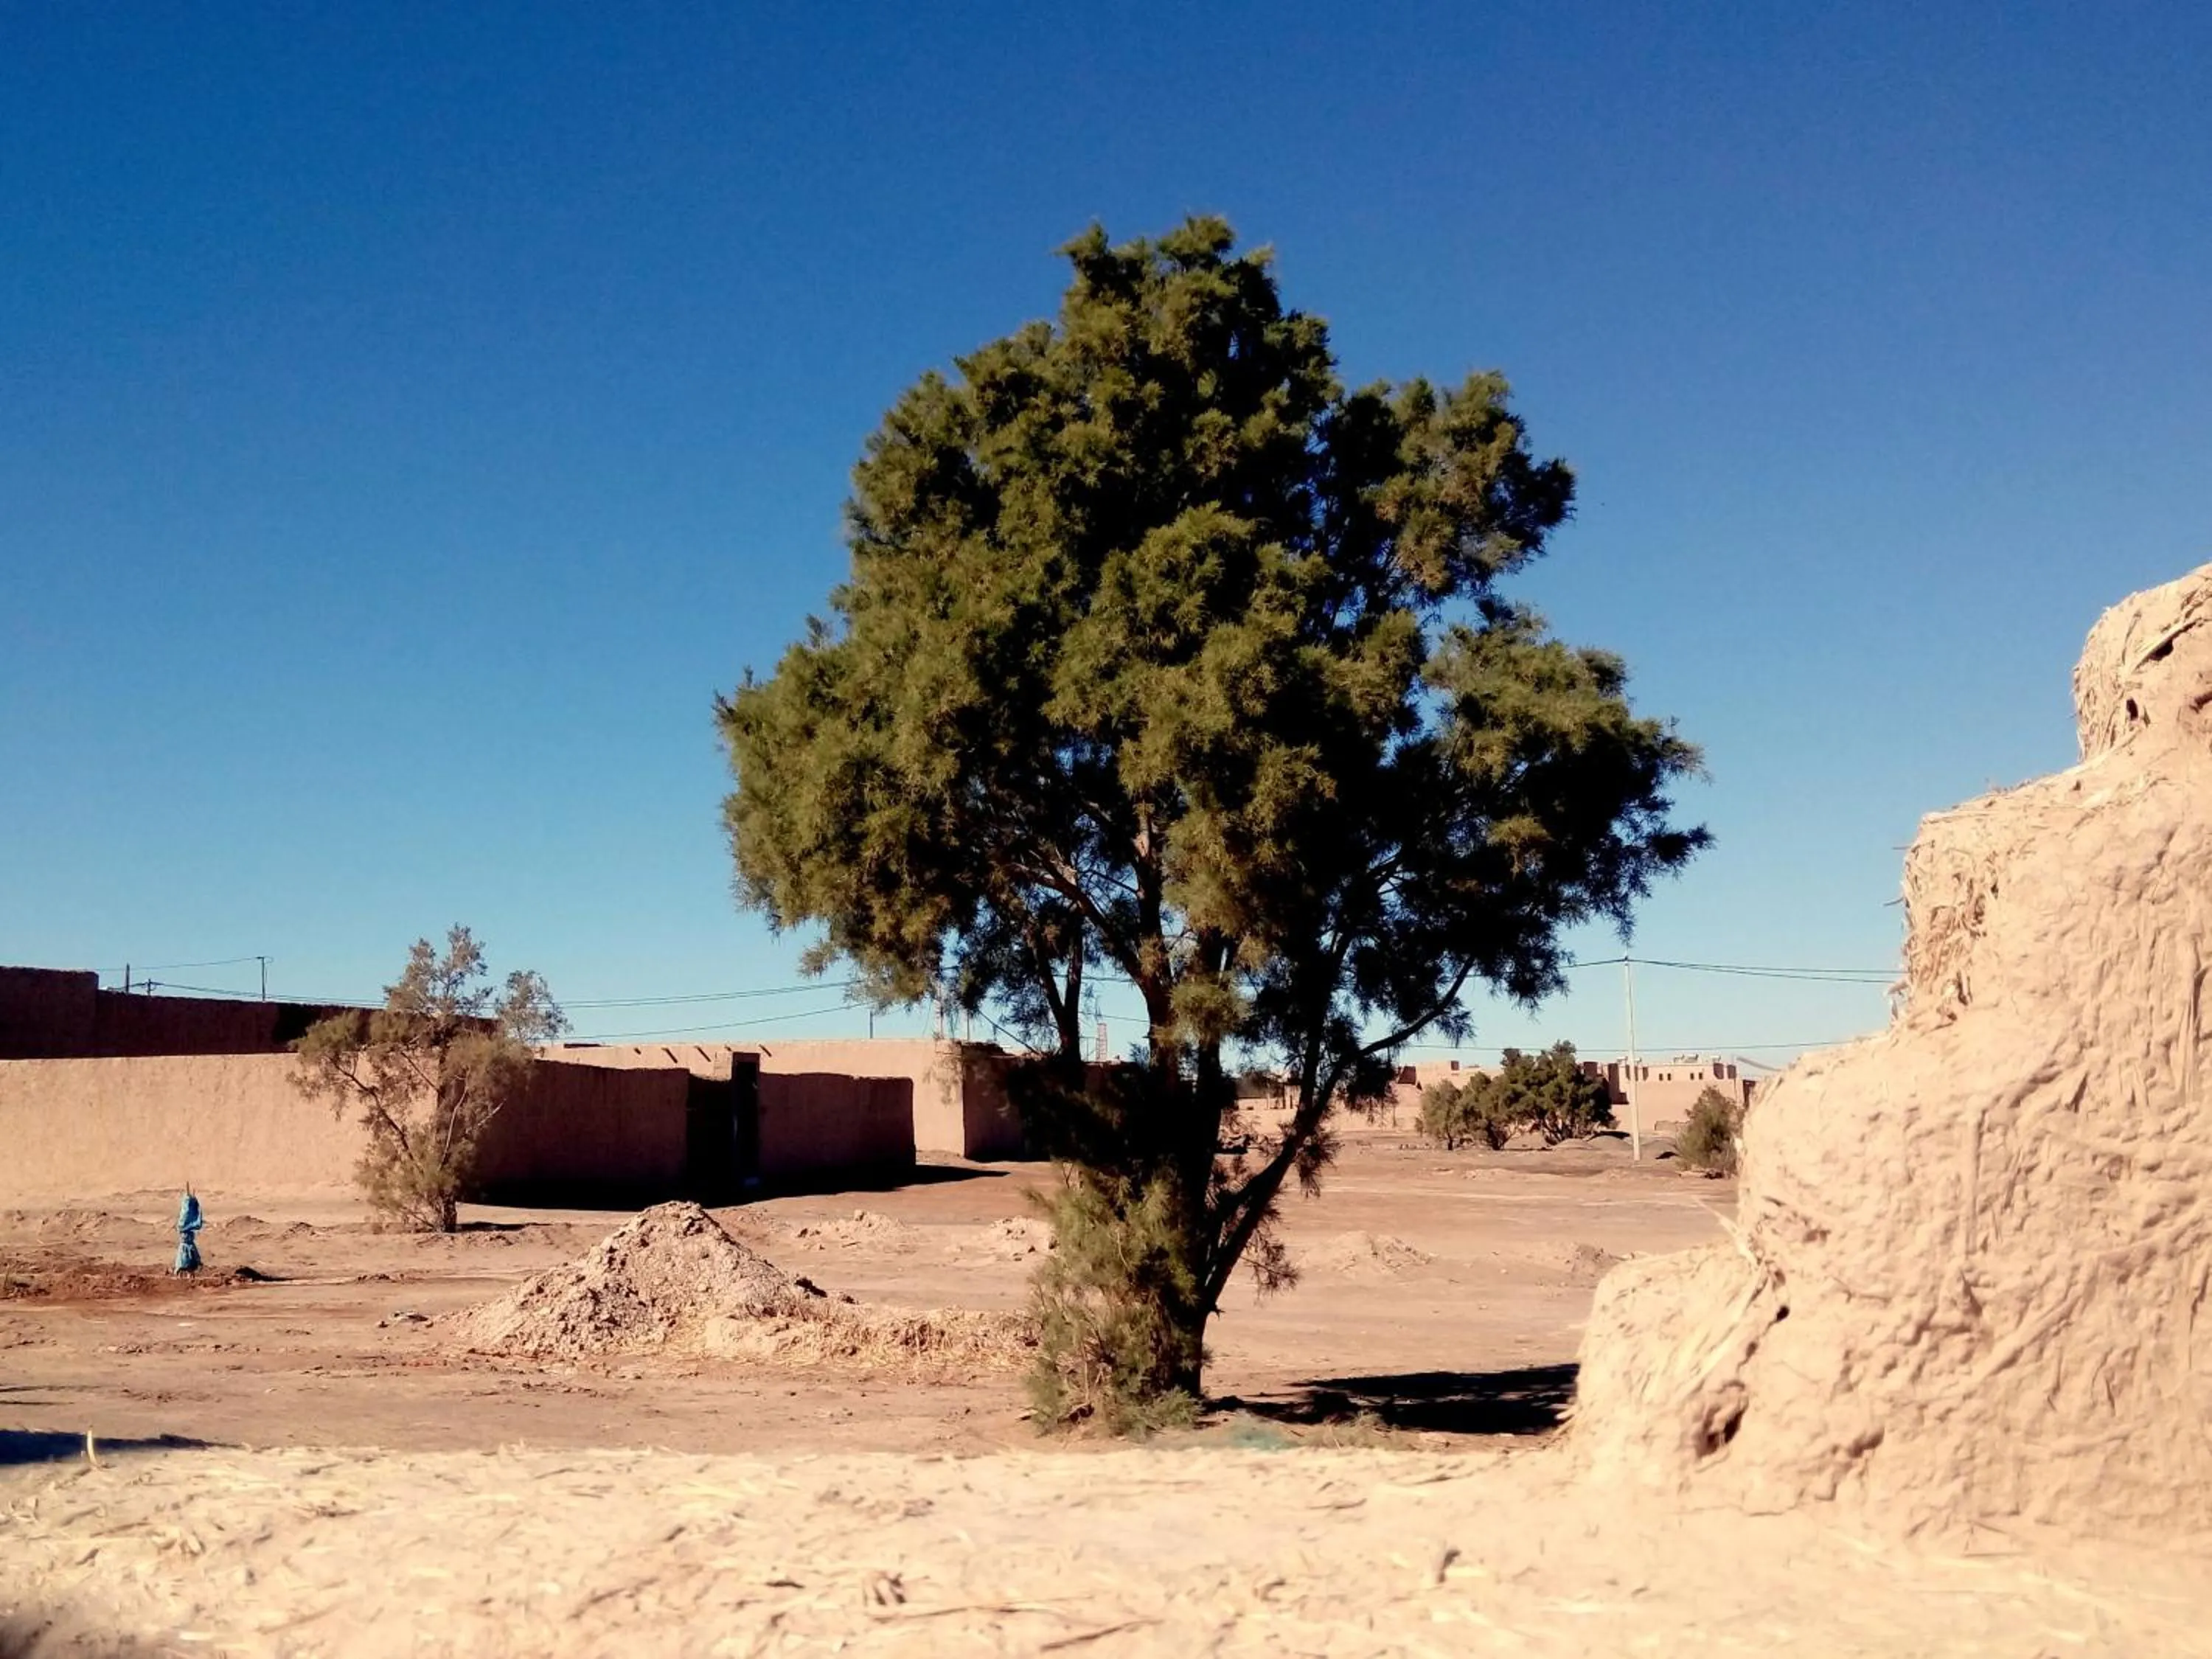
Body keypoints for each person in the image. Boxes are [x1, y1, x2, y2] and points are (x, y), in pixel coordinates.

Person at [173, 1186, 204, 1275]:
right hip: (186, 1244)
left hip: (187, 1244)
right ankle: (181, 1273)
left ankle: (187, 1274)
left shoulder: (184, 1226)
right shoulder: (183, 1226)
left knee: (188, 1260)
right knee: (184, 1260)